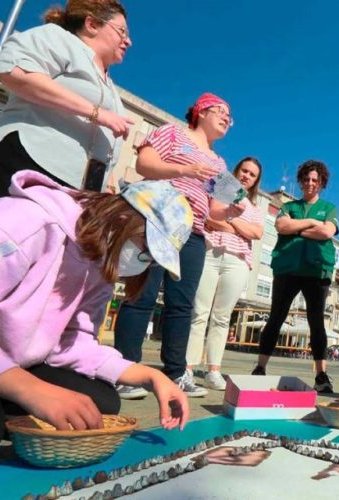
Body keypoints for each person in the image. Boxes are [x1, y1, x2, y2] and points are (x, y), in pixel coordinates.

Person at [0, 171, 191, 473]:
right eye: (145, 251)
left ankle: (1, 412)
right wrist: (30, 390)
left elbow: (74, 342)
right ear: (123, 219)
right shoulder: (24, 222)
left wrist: (149, 376)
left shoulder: (100, 258)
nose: (142, 264)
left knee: (98, 404)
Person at [112, 92, 234, 399]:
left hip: (193, 232)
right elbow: (144, 163)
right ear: (201, 111)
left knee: (182, 304)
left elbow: (216, 208)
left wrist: (234, 209)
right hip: (158, 218)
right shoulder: (172, 133)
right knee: (142, 293)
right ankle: (125, 371)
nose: (226, 119)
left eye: (230, 117)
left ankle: (177, 373)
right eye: (220, 111)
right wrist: (185, 170)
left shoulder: (220, 162)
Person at [0, 0, 135, 199]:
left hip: (78, 187)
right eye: (122, 32)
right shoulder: (59, 38)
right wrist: (97, 113)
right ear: (91, 24)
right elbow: (15, 71)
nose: (128, 41)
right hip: (32, 163)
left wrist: (107, 182)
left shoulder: (110, 87)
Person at [252, 160, 339, 394]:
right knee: (276, 317)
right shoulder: (289, 206)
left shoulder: (329, 208)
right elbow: (281, 226)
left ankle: (321, 375)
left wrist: (296, 228)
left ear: (321, 183)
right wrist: (311, 223)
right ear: (301, 182)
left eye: (315, 180)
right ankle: (260, 368)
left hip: (316, 270)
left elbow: (327, 232)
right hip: (287, 268)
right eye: (306, 179)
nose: (310, 183)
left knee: (316, 321)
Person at [185, 157, 263, 391]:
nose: (246, 176)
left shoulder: (255, 207)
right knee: (199, 312)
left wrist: (230, 219)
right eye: (244, 170)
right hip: (210, 252)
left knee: (222, 317)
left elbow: (257, 233)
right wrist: (238, 226)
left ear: (256, 181)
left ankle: (213, 371)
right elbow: (208, 217)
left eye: (252, 174)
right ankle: (187, 369)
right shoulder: (218, 190)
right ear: (237, 170)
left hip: (238, 261)